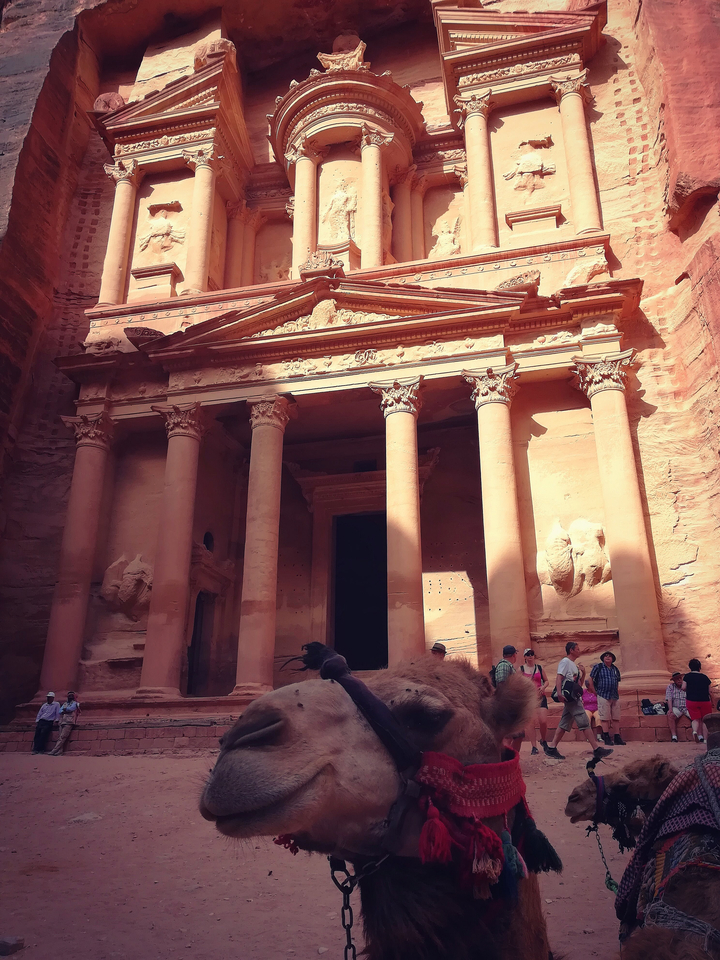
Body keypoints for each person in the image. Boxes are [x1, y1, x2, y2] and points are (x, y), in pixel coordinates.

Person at [543, 642, 613, 761]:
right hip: (571, 698)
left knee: (564, 723)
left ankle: (552, 747)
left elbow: (579, 683)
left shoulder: (573, 665)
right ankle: (596, 749)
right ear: (571, 650)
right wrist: (559, 693)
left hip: (573, 696)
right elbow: (559, 677)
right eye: (577, 649)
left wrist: (583, 673)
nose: (579, 651)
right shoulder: (565, 662)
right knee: (584, 721)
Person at [590, 651, 625, 746]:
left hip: (614, 695)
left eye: (610, 656)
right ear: (603, 658)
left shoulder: (615, 669)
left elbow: (617, 681)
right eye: (606, 656)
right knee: (604, 717)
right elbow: (591, 679)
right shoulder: (598, 667)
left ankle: (617, 737)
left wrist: (617, 691)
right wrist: (594, 691)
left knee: (616, 717)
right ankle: (606, 737)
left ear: (613, 659)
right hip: (603, 694)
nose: (608, 657)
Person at [494, 645, 524, 752]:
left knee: (518, 735)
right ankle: (506, 760)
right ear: (513, 655)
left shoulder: (508, 666)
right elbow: (501, 684)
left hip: (512, 704)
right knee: (508, 736)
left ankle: (513, 759)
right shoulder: (503, 666)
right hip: (507, 706)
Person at [519, 648, 549, 755]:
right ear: (525, 657)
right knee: (530, 723)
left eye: (532, 654)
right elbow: (518, 683)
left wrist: (543, 687)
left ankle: (543, 740)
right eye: (528, 654)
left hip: (541, 696)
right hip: (529, 698)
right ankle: (534, 746)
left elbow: (546, 681)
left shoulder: (539, 668)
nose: (530, 656)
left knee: (543, 721)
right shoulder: (521, 669)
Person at [683, 658, 712, 743]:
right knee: (705, 720)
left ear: (690, 667)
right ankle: (706, 739)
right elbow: (710, 691)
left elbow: (684, 687)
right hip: (704, 700)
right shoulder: (705, 677)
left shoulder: (687, 676)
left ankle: (695, 731)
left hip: (691, 700)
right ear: (700, 667)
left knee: (695, 719)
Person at [49, 691, 80, 756]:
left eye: (71, 696)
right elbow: (60, 711)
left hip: (69, 721)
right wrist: (65, 710)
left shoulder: (75, 703)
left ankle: (54, 750)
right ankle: (60, 752)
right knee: (60, 737)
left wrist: (65, 710)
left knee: (62, 737)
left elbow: (71, 709)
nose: (70, 697)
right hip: (62, 721)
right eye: (69, 696)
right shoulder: (65, 703)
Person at [665, 671, 691, 742]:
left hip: (687, 707)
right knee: (670, 715)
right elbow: (669, 698)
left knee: (697, 717)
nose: (679, 680)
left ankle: (699, 735)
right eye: (677, 679)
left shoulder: (686, 686)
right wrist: (670, 709)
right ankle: (674, 736)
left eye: (680, 678)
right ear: (674, 680)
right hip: (677, 708)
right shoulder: (670, 687)